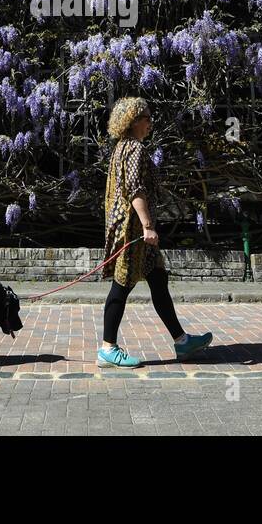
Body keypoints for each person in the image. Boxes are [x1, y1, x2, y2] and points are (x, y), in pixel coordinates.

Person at [97, 97, 213, 368]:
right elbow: (135, 190)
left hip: (128, 227)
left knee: (159, 281)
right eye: (147, 117)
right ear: (134, 120)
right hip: (133, 230)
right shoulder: (134, 149)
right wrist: (147, 226)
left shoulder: (120, 148)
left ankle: (182, 341)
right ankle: (107, 348)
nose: (151, 122)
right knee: (122, 284)